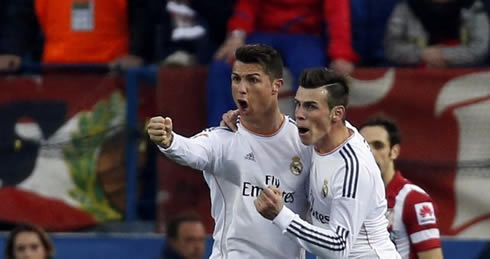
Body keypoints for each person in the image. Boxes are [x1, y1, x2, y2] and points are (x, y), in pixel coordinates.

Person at [147, 44, 312, 258]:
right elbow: (190, 150)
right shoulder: (223, 139)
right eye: (236, 79)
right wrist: (169, 140)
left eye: (252, 80)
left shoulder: (304, 143)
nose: (241, 88)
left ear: (275, 86)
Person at [254, 68, 400, 258]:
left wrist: (281, 216)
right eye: (298, 104)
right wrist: (240, 124)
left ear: (336, 113)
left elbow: (338, 247)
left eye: (311, 107)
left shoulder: (352, 167)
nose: (299, 114)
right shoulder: (321, 136)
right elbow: (280, 132)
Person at [206, 0, 359, 126]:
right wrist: (236, 35)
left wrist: (340, 54)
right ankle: (221, 140)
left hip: (304, 35)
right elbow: (248, 4)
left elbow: (337, 11)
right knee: (225, 65)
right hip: (263, 32)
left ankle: (313, 141)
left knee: (313, 78)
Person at [359, 117, 444, 259]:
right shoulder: (347, 195)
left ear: (394, 151)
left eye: (378, 146)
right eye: (364, 146)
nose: (370, 153)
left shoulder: (414, 200)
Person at [0, 0, 147, 72]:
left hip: (114, 77)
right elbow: (21, 17)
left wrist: (138, 53)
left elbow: (144, 16)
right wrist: (11, 50)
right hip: (57, 77)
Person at [384, 0, 489, 67]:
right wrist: (422, 54)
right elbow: (391, 48)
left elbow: (481, 49)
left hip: (464, 78)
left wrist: (444, 55)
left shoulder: (473, 7)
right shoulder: (406, 7)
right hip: (415, 78)